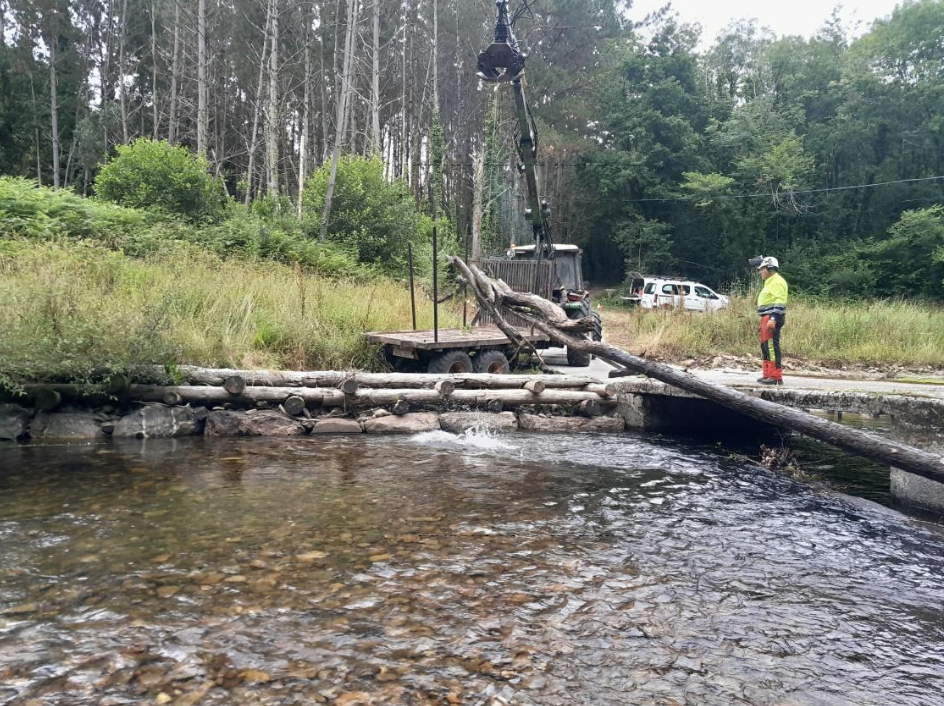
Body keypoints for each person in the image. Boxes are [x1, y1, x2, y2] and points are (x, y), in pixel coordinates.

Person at [752, 256, 788, 385]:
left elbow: (779, 301)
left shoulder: (777, 281)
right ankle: (767, 374)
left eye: (761, 269)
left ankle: (775, 376)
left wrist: (773, 319)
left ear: (769, 268)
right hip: (766, 317)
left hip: (772, 316)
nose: (760, 271)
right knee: (765, 346)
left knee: (771, 346)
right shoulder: (770, 282)